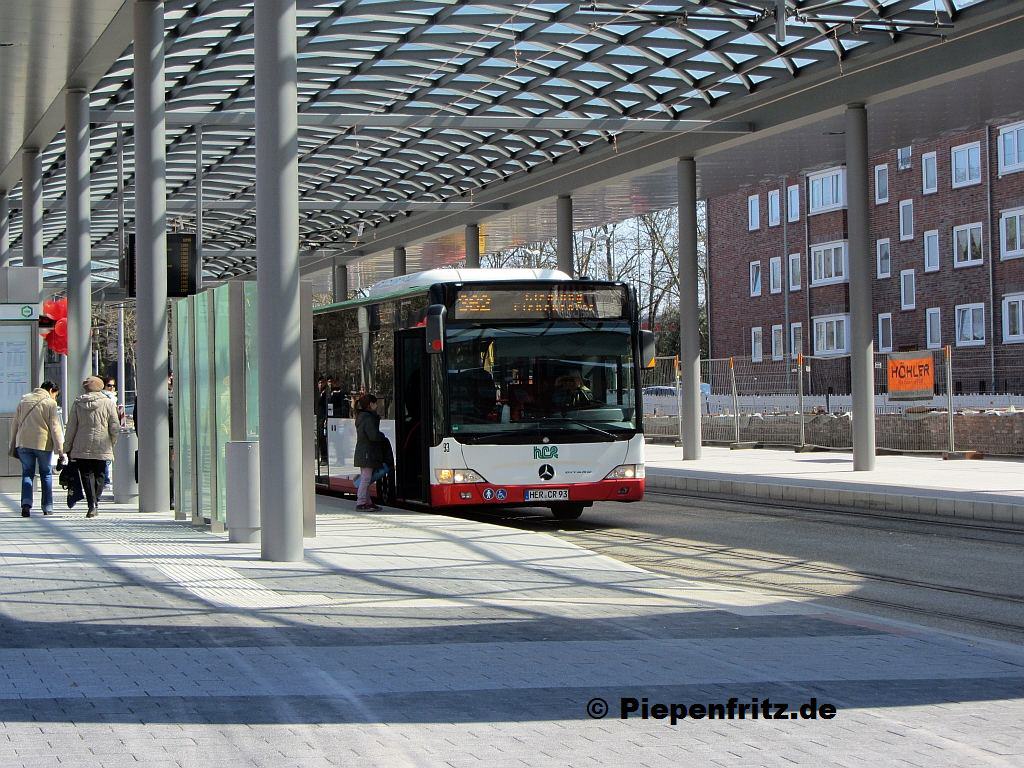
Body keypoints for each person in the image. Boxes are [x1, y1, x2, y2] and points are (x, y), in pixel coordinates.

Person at [64, 377, 120, 518]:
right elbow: (114, 425)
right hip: (103, 443)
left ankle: (91, 504)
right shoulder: (108, 403)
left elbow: (71, 426)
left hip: (81, 444)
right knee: (101, 474)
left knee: (86, 475)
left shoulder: (78, 403)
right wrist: (112, 441)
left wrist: (67, 446)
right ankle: (96, 500)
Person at [8, 381, 64, 517]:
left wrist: (13, 443)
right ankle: (47, 507)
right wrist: (60, 450)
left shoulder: (24, 399)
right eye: (55, 395)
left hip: (23, 443)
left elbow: (15, 423)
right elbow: (55, 427)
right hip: (43, 443)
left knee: (27, 473)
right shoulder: (50, 404)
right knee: (46, 474)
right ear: (51, 390)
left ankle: (26, 505)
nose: (54, 398)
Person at [353, 393, 385, 511]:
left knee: (365, 478)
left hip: (363, 451)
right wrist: (381, 437)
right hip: (367, 452)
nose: (377, 405)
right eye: (375, 403)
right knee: (366, 479)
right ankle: (361, 502)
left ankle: (367, 502)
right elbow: (373, 436)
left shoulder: (362, 416)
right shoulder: (368, 418)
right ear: (370, 404)